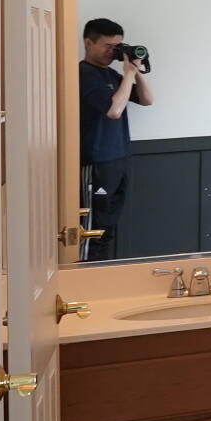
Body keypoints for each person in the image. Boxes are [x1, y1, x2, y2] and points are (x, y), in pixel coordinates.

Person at [79, 17, 152, 261]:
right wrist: (128, 74)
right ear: (88, 43)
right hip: (96, 161)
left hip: (119, 159)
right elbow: (114, 110)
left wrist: (136, 71)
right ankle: (86, 275)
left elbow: (147, 99)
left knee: (109, 227)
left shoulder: (111, 74)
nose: (112, 52)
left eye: (117, 46)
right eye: (107, 46)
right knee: (93, 229)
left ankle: (101, 274)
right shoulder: (84, 73)